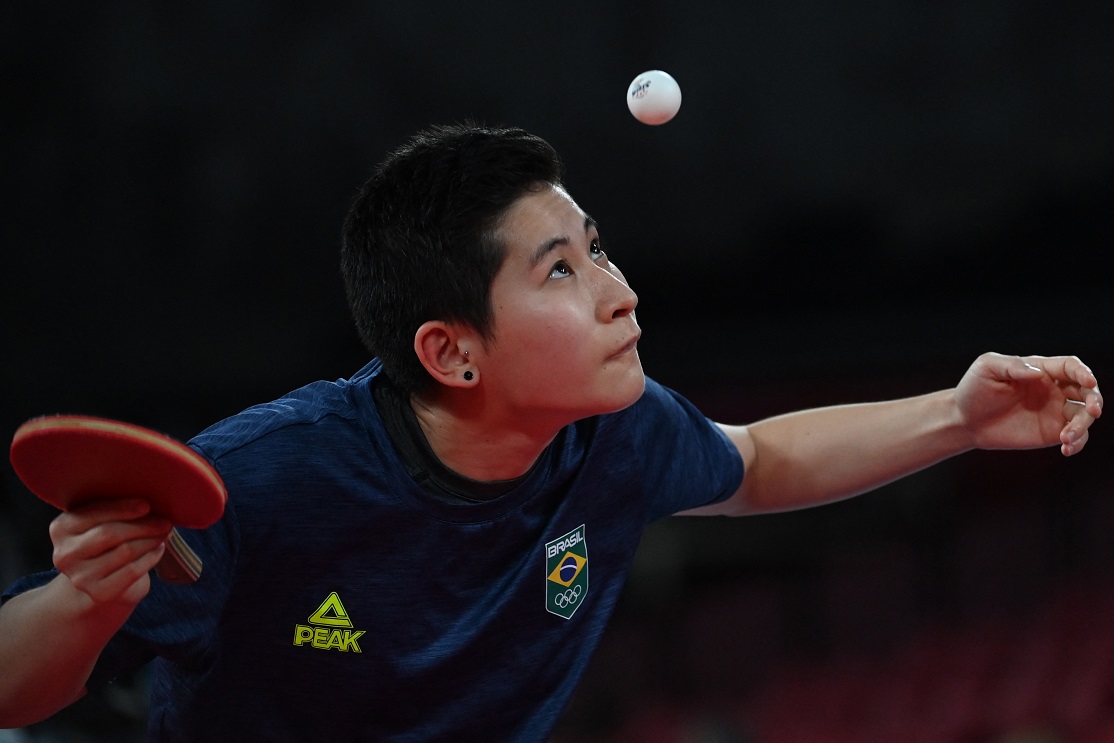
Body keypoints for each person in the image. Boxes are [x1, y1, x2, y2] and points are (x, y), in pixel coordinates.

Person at [0, 123, 1102, 742]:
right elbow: (18, 687)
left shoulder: (612, 433)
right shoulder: (261, 475)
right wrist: (86, 600)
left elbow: (757, 462)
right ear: (451, 351)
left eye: (599, 248)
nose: (619, 292)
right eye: (561, 270)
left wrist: (957, 418)